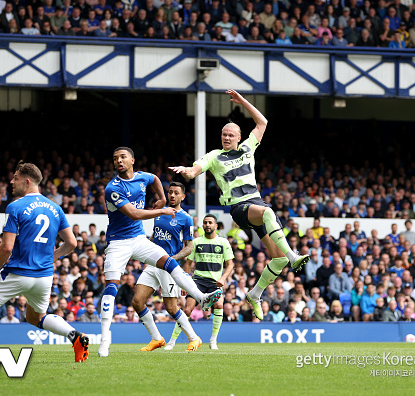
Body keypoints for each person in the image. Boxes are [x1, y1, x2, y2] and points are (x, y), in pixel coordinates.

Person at [169, 89, 309, 321]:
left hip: (256, 203)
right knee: (268, 214)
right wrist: (187, 171)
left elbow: (262, 122)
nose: (226, 137)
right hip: (240, 208)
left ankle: (255, 294)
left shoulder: (247, 148)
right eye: (223, 134)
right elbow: (195, 171)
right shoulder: (214, 156)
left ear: (238, 137)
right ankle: (294, 257)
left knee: (278, 258)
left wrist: (243, 101)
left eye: (231, 134)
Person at [0, 161, 89, 362]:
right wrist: (53, 257)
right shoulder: (55, 208)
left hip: (18, 272)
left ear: (27, 181)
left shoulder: (15, 206)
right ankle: (75, 336)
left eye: (15, 178)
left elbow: (7, 247)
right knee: (36, 318)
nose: (11, 181)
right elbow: (71, 243)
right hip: (44, 277)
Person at [98, 147, 222, 358]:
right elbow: (135, 214)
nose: (119, 161)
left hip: (139, 240)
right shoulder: (113, 188)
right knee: (116, 290)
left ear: (132, 160)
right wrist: (162, 208)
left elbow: (155, 178)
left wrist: (162, 197)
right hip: (118, 242)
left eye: (123, 157)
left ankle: (201, 299)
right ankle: (105, 340)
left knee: (170, 284)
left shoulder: (144, 179)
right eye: (115, 158)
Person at [129, 181, 201, 352]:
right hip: (154, 263)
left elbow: (189, 247)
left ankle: (194, 338)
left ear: (183, 197)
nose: (172, 195)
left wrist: (172, 259)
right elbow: (155, 237)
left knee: (171, 307)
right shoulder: (159, 213)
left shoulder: (186, 218)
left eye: (176, 193)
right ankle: (156, 338)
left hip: (168, 265)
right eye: (170, 192)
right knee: (137, 301)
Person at [167, 214, 234, 350]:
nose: (207, 225)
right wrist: (184, 282)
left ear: (216, 226)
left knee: (219, 305)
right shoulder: (196, 242)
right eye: (205, 223)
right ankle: (172, 341)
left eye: (210, 223)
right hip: (198, 280)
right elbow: (188, 263)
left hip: (215, 282)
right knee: (187, 310)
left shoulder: (223, 242)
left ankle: (213, 340)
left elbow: (230, 264)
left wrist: (222, 278)